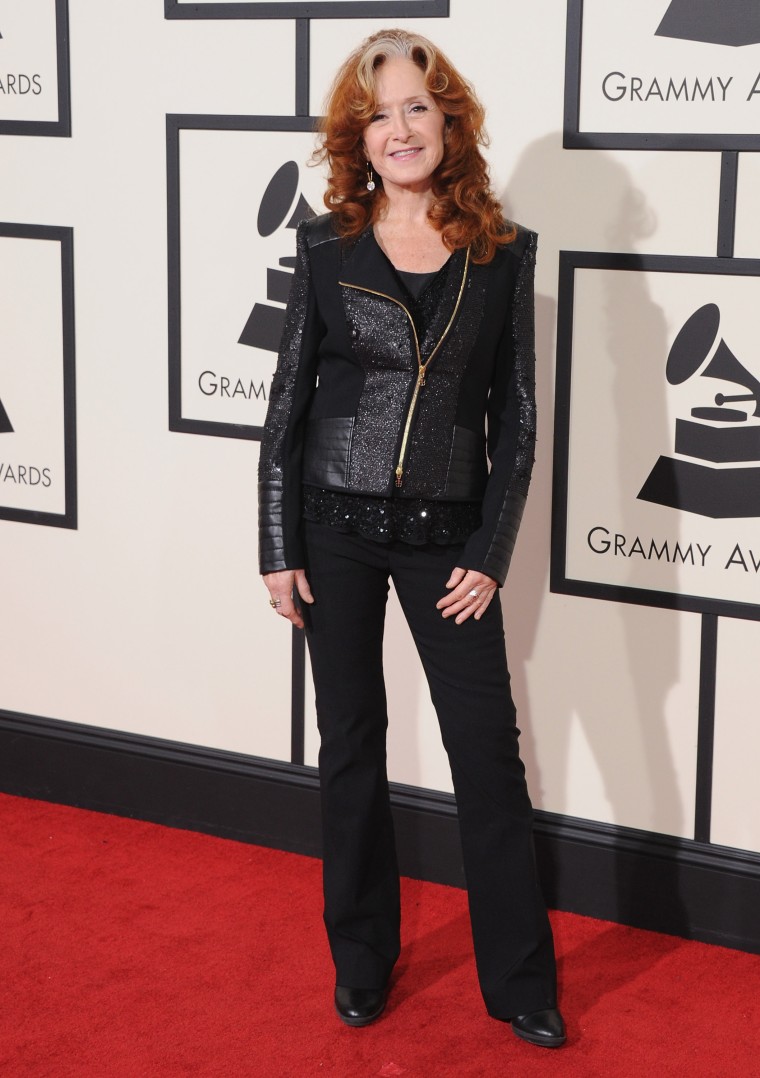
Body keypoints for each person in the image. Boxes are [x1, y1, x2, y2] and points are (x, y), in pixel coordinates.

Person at [258, 28, 565, 1050]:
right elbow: (285, 410)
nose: (400, 127)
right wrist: (276, 541)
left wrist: (487, 551)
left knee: (487, 754)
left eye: (416, 108)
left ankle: (520, 981)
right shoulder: (324, 248)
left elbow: (518, 421)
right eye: (379, 111)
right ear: (359, 132)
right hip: (332, 529)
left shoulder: (502, 252)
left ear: (449, 121)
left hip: (447, 541)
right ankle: (360, 960)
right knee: (349, 745)